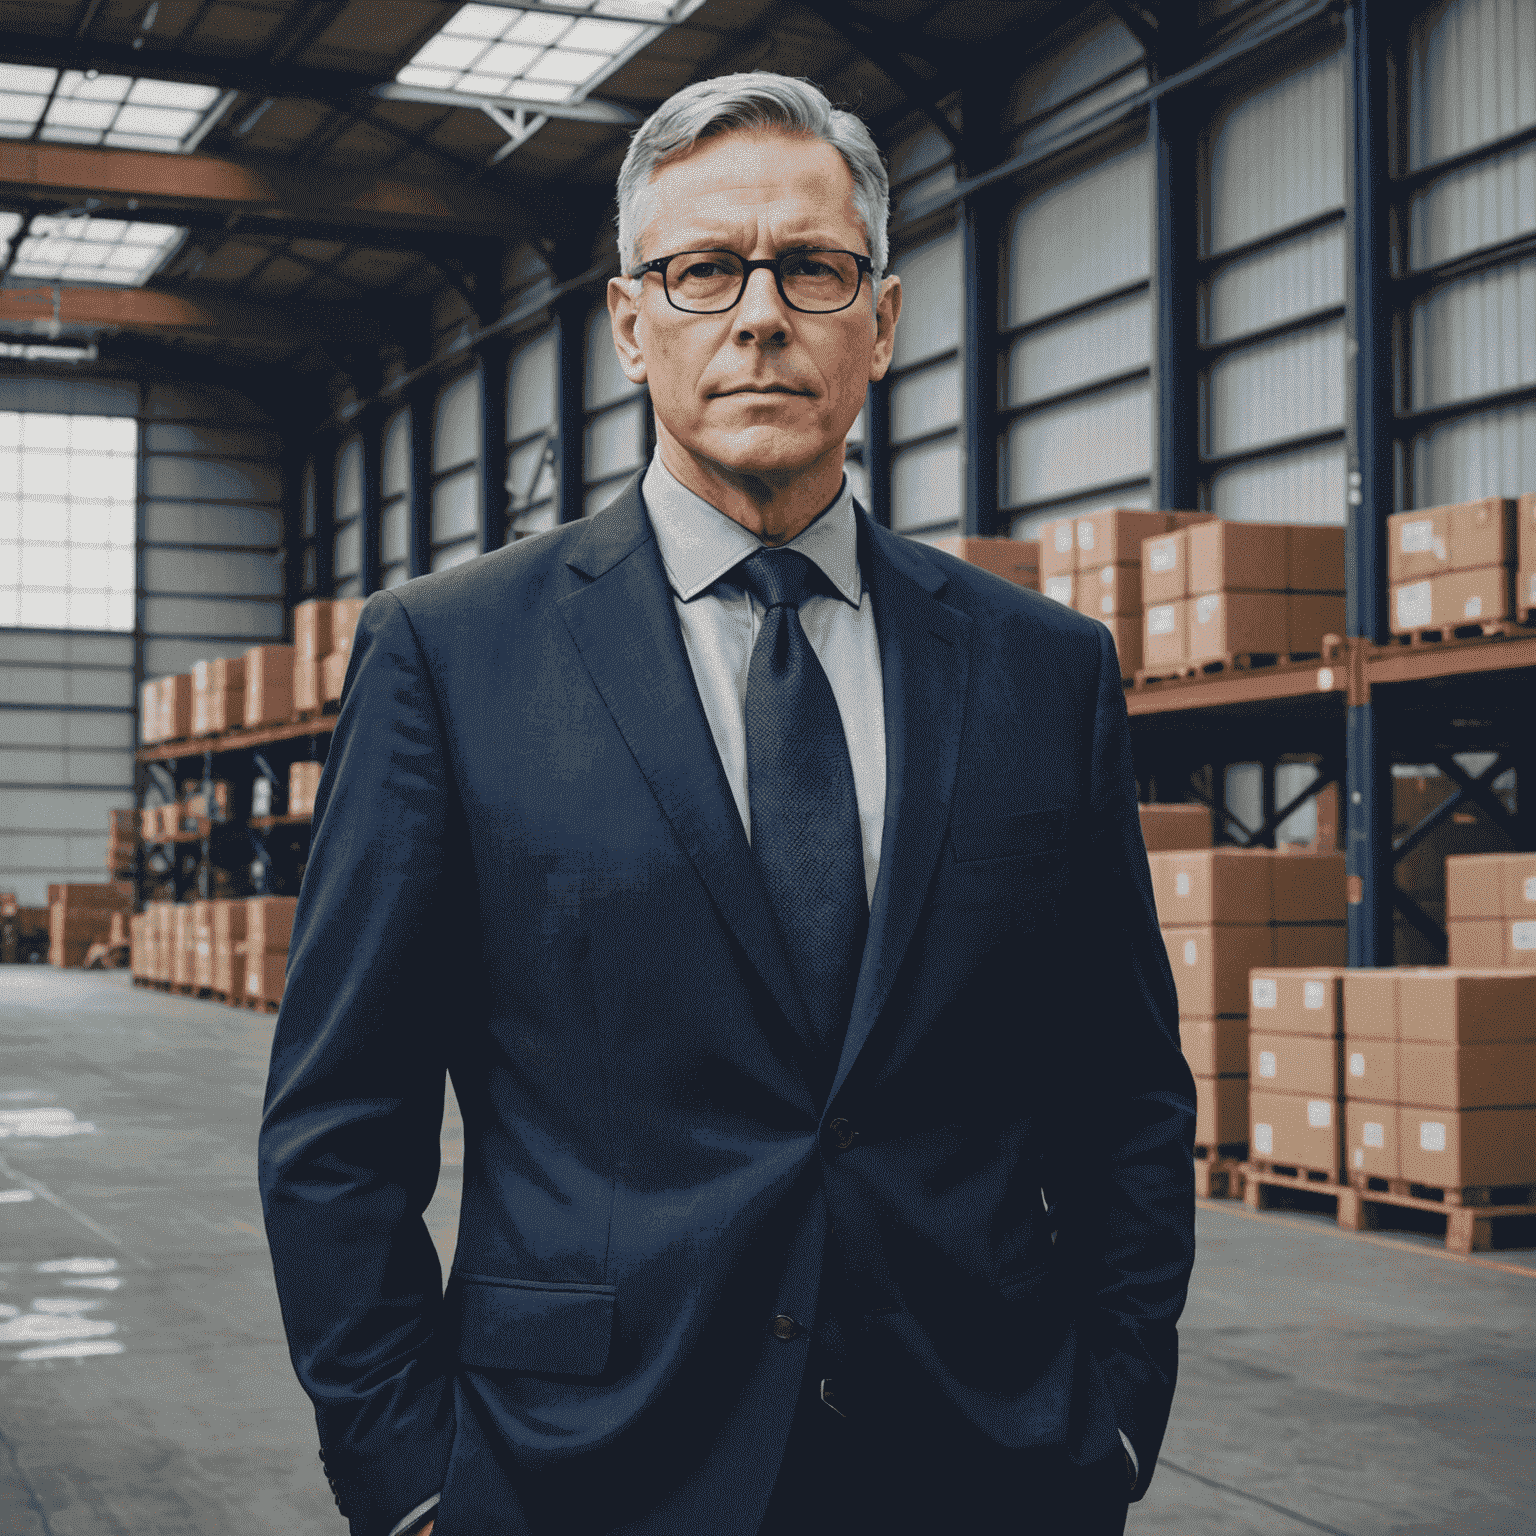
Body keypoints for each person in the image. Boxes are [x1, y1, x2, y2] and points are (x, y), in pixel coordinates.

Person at [259, 71, 1196, 1536]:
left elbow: (1124, 1092)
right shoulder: (452, 655)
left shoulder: (1042, 672)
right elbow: (340, 1122)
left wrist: (1118, 1418)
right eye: (705, 269)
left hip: (983, 1459)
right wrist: (405, 1482)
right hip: (580, 1464)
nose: (760, 314)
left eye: (811, 268)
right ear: (633, 323)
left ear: (880, 321)